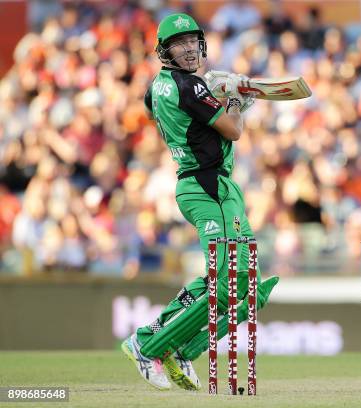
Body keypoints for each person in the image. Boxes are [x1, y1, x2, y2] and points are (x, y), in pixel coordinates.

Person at [121, 13, 279, 391]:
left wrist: (215, 95)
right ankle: (148, 343)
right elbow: (233, 131)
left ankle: (177, 349)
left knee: (244, 283)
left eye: (193, 40)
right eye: (179, 43)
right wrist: (236, 101)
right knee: (228, 282)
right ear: (165, 51)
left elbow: (152, 106)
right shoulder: (188, 87)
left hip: (217, 187)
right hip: (206, 186)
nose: (189, 48)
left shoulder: (158, 86)